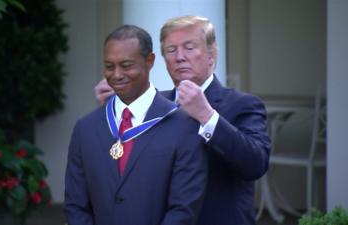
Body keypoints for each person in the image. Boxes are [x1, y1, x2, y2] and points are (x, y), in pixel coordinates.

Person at [95, 16, 271, 225]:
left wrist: (206, 116)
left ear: (211, 55)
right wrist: (115, 112)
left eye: (189, 47)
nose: (179, 57)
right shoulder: (153, 105)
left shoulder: (244, 104)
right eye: (171, 50)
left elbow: (255, 165)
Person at [64, 24, 207, 225]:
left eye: (126, 65)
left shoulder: (183, 126)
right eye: (109, 66)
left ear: (150, 61)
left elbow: (184, 209)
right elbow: (75, 205)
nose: (116, 75)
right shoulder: (85, 128)